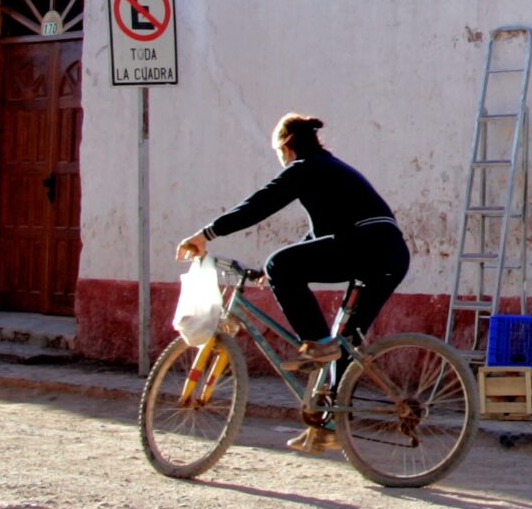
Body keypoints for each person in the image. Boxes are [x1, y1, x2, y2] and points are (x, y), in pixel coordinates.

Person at [175, 113, 410, 454]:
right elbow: (317, 240)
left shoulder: (304, 168)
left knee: (284, 269)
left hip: (367, 246)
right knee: (345, 341)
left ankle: (316, 342)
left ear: (286, 146)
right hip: (388, 254)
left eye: (278, 152)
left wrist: (206, 234)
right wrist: (267, 272)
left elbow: (258, 205)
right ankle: (330, 426)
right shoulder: (329, 170)